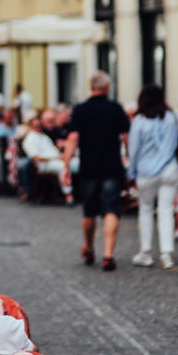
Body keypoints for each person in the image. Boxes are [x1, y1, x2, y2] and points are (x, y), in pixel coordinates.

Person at [61, 71, 130, 270]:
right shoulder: (115, 108)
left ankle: (90, 247)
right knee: (111, 209)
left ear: (91, 88)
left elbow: (73, 138)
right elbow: (126, 137)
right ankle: (108, 255)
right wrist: (130, 159)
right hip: (112, 166)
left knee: (89, 211)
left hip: (88, 167)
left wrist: (66, 165)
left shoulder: (80, 109)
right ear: (106, 87)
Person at [128, 84, 178, 269]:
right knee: (166, 210)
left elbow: (133, 150)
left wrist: (131, 172)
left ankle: (146, 252)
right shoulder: (171, 116)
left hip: (146, 171)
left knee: (145, 210)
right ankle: (166, 254)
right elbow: (176, 140)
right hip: (169, 168)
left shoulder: (139, 120)